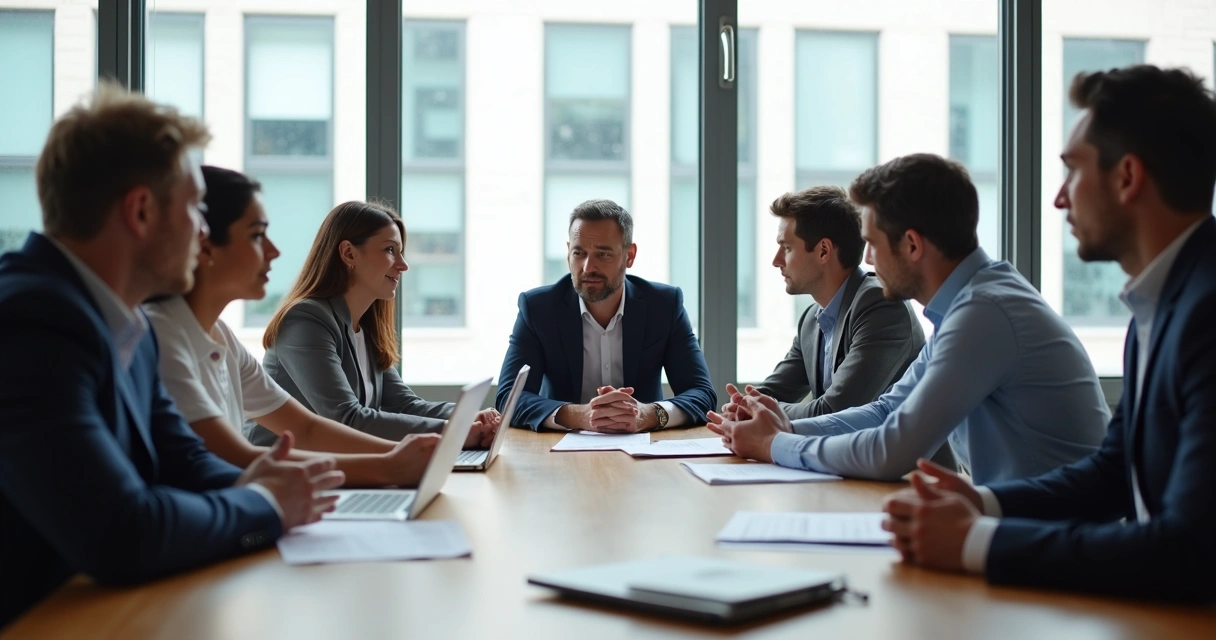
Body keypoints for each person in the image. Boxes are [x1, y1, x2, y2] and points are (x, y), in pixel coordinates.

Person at [0, 83, 343, 627]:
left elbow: (183, 459)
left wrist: (266, 482)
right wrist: (268, 504)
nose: (203, 231)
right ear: (140, 211)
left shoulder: (122, 320)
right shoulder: (30, 324)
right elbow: (121, 533)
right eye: (193, 209)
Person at [882, 65, 1216, 604]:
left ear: (1127, 177)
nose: (1060, 199)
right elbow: (1113, 472)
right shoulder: (1157, 306)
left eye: (1073, 171)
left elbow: (1191, 551)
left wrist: (978, 542)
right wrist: (981, 503)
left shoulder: (1205, 313)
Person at [708, 153, 1109, 484]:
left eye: (873, 244)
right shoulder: (969, 306)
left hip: (1057, 549)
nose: (865, 260)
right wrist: (788, 427)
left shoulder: (985, 312)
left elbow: (892, 450)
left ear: (912, 245)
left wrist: (773, 444)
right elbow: (887, 410)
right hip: (1018, 527)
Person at [144, 166, 439, 487]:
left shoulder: (222, 338)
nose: (274, 251)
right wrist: (389, 465)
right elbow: (235, 456)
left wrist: (401, 457)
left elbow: (308, 428)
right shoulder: (161, 335)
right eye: (257, 235)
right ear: (204, 245)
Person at [258, 200, 499, 446]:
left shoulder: (365, 325)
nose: (403, 265)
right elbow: (346, 418)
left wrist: (466, 418)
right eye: (390, 250)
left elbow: (403, 404)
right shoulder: (306, 320)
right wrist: (454, 431)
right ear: (349, 253)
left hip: (336, 465)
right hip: (282, 471)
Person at [496, 199, 715, 432]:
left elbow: (702, 394)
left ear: (629, 255)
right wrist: (580, 416)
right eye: (579, 253)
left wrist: (648, 415)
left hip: (644, 453)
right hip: (557, 450)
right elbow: (509, 399)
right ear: (568, 252)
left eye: (603, 254)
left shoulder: (663, 305)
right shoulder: (539, 308)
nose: (588, 267)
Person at [736, 186, 925, 420]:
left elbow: (836, 410)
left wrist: (758, 410)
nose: (776, 261)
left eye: (786, 248)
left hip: (906, 457)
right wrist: (741, 405)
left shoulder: (881, 305)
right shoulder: (811, 320)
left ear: (824, 251)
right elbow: (771, 391)